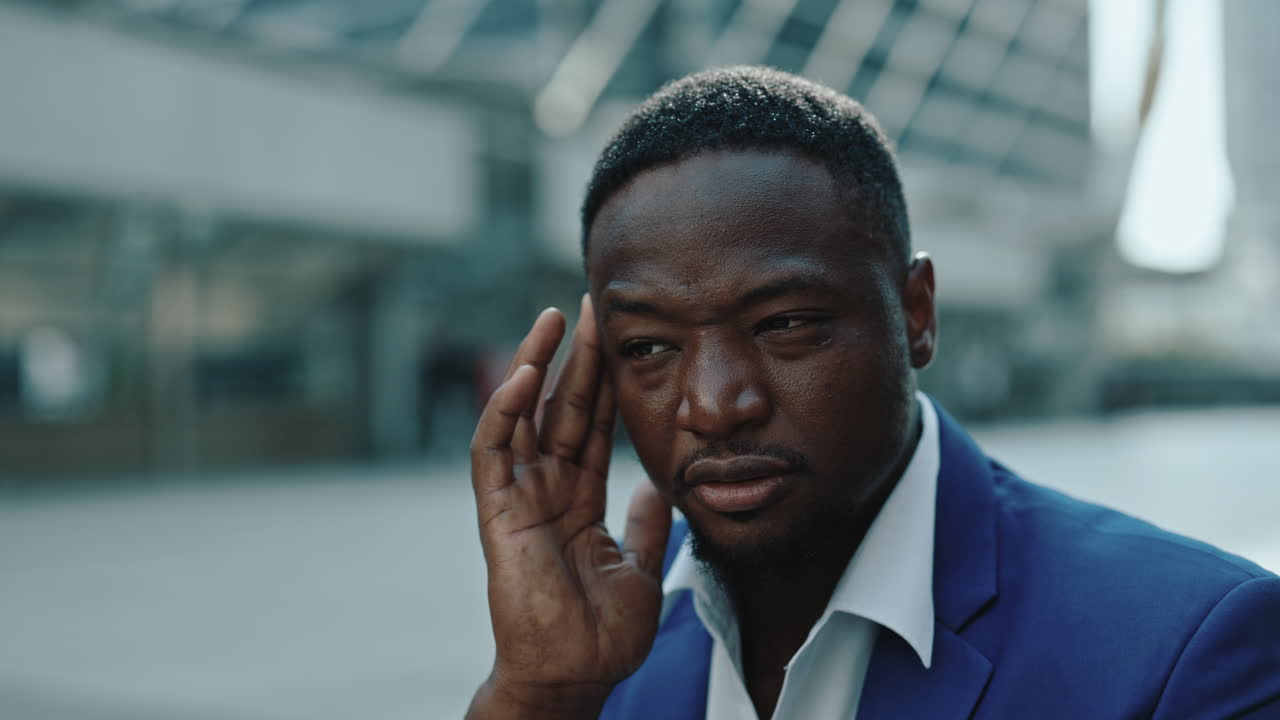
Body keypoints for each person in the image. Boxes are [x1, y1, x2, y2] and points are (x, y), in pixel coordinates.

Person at [463, 67, 1280, 720]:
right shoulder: (594, 644)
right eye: (649, 347)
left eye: (784, 325)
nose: (713, 405)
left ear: (916, 313)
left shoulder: (1187, 652)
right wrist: (537, 701)